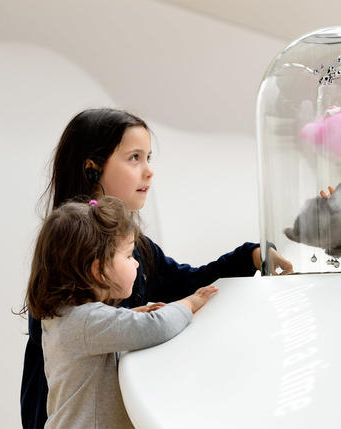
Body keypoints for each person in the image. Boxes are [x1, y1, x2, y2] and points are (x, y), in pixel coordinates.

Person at [21, 108, 293, 428]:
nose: (149, 171)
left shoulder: (138, 248)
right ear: (92, 170)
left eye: (148, 158)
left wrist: (250, 256)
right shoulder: (65, 262)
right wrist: (168, 311)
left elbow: (187, 282)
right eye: (134, 158)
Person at [24, 196, 217, 428]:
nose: (136, 263)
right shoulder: (87, 321)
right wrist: (188, 304)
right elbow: (156, 327)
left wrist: (135, 313)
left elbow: (106, 328)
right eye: (128, 255)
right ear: (98, 269)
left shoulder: (66, 316)